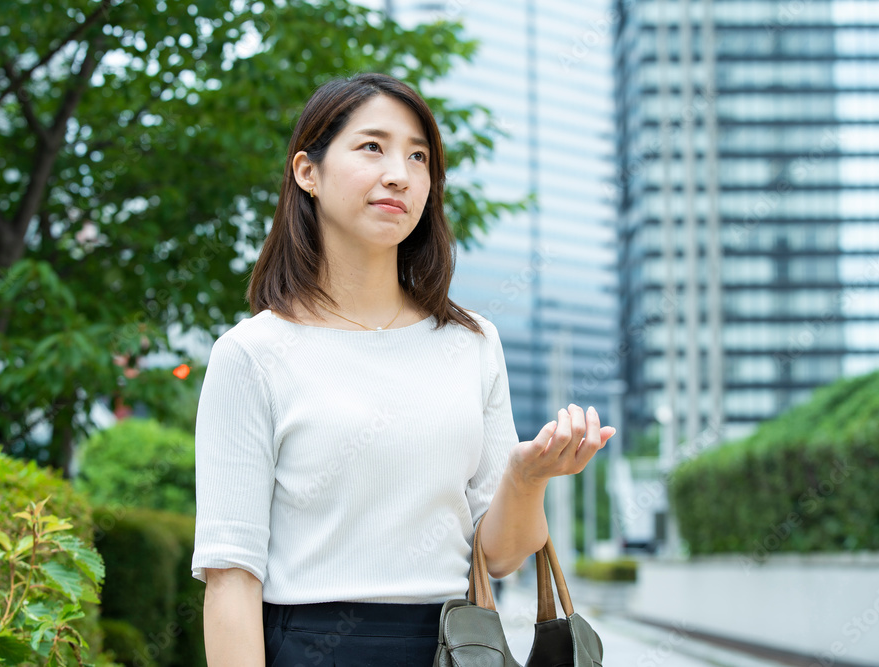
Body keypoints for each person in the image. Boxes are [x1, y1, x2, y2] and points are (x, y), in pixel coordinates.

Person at [190, 71, 616, 667]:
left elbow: (501, 557)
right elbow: (231, 576)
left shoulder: (470, 342)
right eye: (372, 147)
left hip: (457, 647)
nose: (399, 172)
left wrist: (526, 478)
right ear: (306, 172)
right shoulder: (253, 353)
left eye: (419, 156)